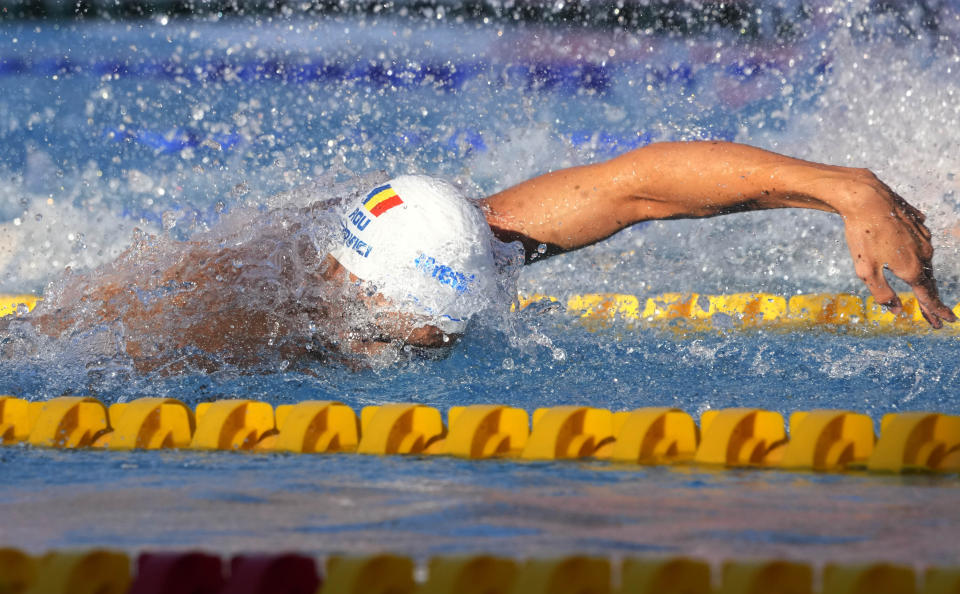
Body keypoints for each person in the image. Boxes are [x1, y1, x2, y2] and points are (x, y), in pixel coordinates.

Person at [15, 140, 956, 368]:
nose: (439, 344)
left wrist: (846, 189)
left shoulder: (474, 236)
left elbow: (640, 184)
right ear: (351, 290)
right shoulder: (222, 318)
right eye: (425, 327)